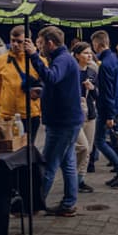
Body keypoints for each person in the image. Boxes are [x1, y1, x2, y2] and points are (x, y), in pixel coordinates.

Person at [25, 26, 84, 217]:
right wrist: (42, 93)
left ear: (50, 43)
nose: (39, 47)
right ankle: (68, 204)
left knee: (48, 164)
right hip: (67, 120)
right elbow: (59, 85)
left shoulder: (63, 59)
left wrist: (34, 56)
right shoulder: (63, 59)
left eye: (40, 43)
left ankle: (34, 204)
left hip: (62, 123)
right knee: (67, 163)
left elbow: (52, 78)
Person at [0, 26, 44, 141]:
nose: (15, 44)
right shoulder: (2, 60)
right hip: (7, 116)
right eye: (13, 41)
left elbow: (47, 86)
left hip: (30, 115)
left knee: (28, 151)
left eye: (19, 42)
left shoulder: (38, 61)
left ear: (28, 41)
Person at [90, 31, 118, 182]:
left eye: (93, 45)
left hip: (108, 108)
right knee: (115, 138)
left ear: (98, 44)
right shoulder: (115, 60)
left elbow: (107, 92)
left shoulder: (105, 65)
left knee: (100, 141)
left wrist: (109, 115)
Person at [71, 42, 99, 193]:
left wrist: (92, 88)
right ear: (76, 55)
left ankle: (80, 180)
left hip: (90, 113)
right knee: (82, 147)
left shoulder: (93, 71)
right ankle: (72, 178)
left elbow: (97, 95)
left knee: (87, 150)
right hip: (75, 115)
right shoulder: (72, 71)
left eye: (90, 53)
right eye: (85, 53)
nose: (89, 56)